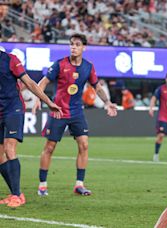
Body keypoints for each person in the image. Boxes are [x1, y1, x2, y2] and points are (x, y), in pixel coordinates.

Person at [32, 33, 118, 196]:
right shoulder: (59, 64)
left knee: (84, 145)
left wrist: (107, 102)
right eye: (72, 44)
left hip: (77, 111)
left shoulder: (88, 66)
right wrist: (38, 99)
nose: (73, 47)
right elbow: (43, 82)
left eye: (77, 44)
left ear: (84, 47)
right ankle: (42, 185)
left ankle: (79, 184)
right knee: (50, 147)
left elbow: (97, 87)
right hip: (58, 110)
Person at [0, 49, 62, 208]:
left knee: (9, 148)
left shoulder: (10, 59)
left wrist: (48, 102)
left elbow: (29, 83)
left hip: (13, 109)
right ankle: (16, 192)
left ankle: (16, 195)